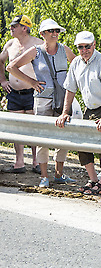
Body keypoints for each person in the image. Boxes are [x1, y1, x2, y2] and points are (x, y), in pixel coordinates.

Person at [7, 18, 77, 188]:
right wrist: (31, 82)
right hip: (42, 99)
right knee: (42, 138)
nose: (55, 34)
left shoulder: (64, 50)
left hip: (62, 100)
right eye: (51, 31)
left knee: (63, 136)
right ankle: (44, 176)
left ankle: (59, 174)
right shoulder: (35, 51)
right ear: (42, 34)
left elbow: (78, 66)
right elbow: (11, 67)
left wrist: (72, 85)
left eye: (57, 31)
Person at [55, 31, 101, 196]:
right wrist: (65, 112)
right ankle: (93, 180)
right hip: (89, 108)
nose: (84, 50)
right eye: (80, 47)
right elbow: (70, 89)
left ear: (94, 45)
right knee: (82, 143)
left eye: (87, 46)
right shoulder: (76, 63)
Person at [0, 15, 43, 174]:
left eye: (14, 26)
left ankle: (36, 162)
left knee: (32, 127)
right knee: (16, 127)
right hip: (14, 92)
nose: (11, 28)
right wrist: (3, 80)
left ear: (24, 28)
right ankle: (19, 163)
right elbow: (1, 61)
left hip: (32, 92)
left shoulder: (38, 44)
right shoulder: (10, 44)